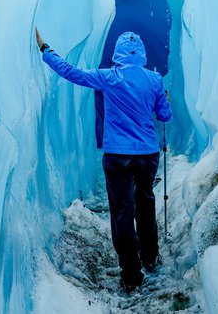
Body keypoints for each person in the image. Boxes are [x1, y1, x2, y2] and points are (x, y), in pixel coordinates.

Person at [35, 28, 172, 292]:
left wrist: (45, 50)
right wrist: (164, 100)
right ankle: (151, 256)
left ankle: (131, 274)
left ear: (118, 53)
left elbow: (71, 72)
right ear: (141, 53)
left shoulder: (109, 77)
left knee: (122, 212)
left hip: (118, 155)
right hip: (147, 155)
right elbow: (164, 116)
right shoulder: (154, 79)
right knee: (145, 202)